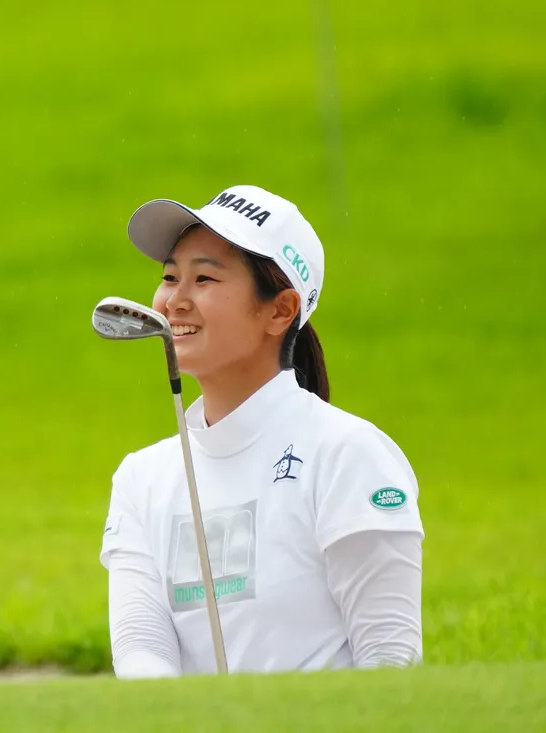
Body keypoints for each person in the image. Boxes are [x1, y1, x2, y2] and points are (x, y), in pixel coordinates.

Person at [99, 183, 424, 677]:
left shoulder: (349, 454)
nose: (174, 301)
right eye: (169, 277)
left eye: (204, 278)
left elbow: (390, 660)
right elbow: (142, 651)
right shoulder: (140, 478)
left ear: (280, 310)